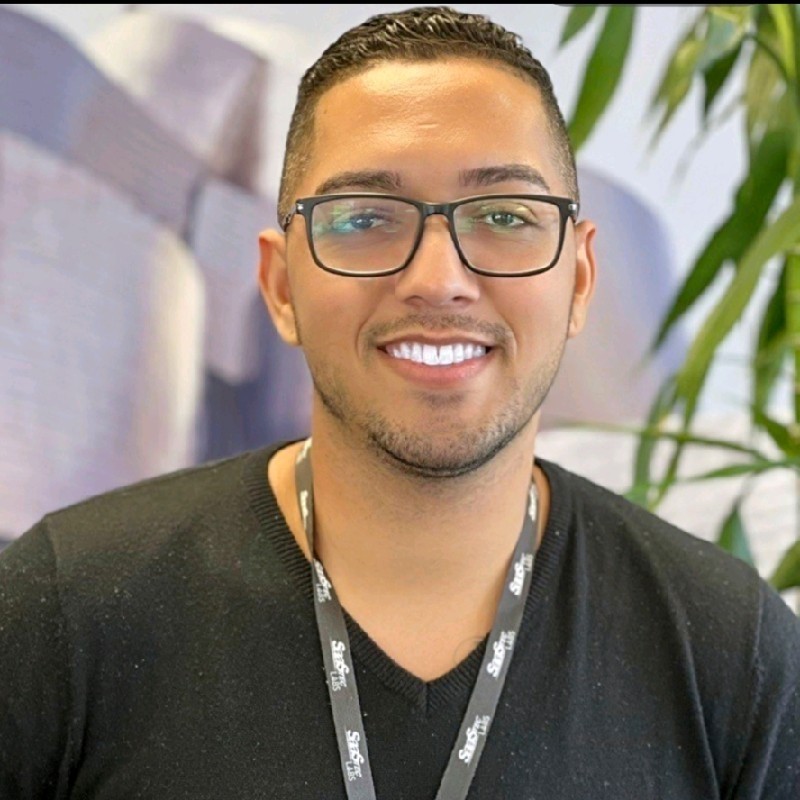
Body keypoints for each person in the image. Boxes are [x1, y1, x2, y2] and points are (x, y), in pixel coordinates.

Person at [1, 5, 798, 798]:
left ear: (580, 280)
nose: (438, 279)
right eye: (363, 219)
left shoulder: (727, 650)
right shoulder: (66, 614)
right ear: (280, 285)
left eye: (503, 217)